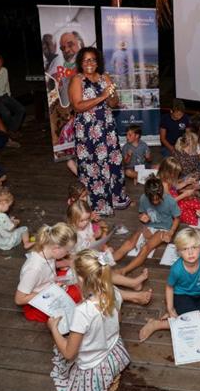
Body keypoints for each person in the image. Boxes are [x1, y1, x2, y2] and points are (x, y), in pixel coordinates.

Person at [49, 250, 130, 391]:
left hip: (92, 364)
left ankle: (102, 383)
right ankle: (112, 373)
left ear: (81, 279)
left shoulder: (82, 312)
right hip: (113, 351)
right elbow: (118, 320)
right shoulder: (115, 293)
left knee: (61, 346)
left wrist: (53, 328)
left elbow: (69, 354)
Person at [68, 47, 130, 216]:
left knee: (113, 162)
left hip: (107, 128)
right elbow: (78, 106)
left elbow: (113, 103)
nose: (90, 63)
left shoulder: (105, 77)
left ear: (98, 62)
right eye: (86, 60)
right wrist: (102, 96)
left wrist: (111, 96)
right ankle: (97, 204)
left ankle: (116, 198)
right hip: (88, 131)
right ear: (80, 63)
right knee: (92, 166)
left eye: (93, 60)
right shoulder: (77, 80)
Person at [138, 228, 200, 342]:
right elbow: (169, 287)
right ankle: (157, 324)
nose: (190, 252)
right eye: (185, 249)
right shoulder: (177, 269)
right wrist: (170, 307)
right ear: (178, 251)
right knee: (191, 322)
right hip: (182, 295)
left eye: (194, 247)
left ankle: (187, 316)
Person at [66, 201, 152, 304]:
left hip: (92, 257)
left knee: (106, 270)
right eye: (81, 221)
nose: (85, 222)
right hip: (80, 265)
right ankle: (132, 296)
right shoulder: (70, 235)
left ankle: (132, 283)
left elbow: (93, 240)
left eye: (87, 219)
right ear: (72, 220)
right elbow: (71, 257)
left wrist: (102, 247)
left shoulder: (87, 224)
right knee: (100, 281)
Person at [15, 222, 81, 323]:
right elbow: (19, 299)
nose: (68, 253)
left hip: (49, 286)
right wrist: (48, 291)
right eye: (67, 251)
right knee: (76, 294)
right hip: (37, 303)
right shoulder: (34, 269)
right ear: (56, 249)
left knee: (78, 283)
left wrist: (67, 262)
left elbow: (50, 265)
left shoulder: (47, 251)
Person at [118, 177, 180, 276]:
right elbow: (141, 213)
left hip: (163, 229)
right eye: (152, 200)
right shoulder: (144, 198)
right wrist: (142, 217)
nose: (155, 202)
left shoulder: (170, 201)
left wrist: (171, 232)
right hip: (149, 226)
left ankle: (124, 270)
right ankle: (105, 261)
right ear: (147, 195)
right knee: (129, 242)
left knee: (146, 248)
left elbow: (177, 218)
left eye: (157, 199)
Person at [157, 157, 200, 226]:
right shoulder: (164, 184)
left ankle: (195, 214)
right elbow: (169, 202)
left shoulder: (168, 178)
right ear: (168, 172)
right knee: (188, 215)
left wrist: (186, 182)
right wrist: (184, 194)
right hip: (171, 206)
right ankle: (192, 220)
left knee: (197, 204)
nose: (177, 176)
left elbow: (175, 187)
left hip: (177, 200)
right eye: (176, 174)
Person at [49, 31, 83, 106]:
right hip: (66, 111)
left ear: (79, 43)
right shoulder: (57, 61)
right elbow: (51, 85)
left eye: (70, 45)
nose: (66, 50)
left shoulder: (87, 59)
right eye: (63, 48)